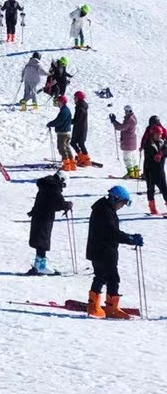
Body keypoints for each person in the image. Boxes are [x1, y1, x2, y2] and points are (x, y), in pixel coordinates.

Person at [85, 185, 143, 318]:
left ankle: (93, 305)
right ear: (115, 199)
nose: (122, 206)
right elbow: (112, 232)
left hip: (97, 249)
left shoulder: (103, 209)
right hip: (105, 250)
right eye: (122, 203)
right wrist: (130, 239)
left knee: (100, 276)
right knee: (112, 278)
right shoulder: (105, 212)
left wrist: (129, 238)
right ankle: (111, 308)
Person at [26, 170, 72, 275]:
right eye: (63, 185)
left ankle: (39, 264)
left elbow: (49, 201)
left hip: (38, 215)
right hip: (45, 216)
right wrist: (67, 205)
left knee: (40, 239)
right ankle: (41, 266)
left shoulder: (46, 184)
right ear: (62, 179)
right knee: (43, 239)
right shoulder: (53, 187)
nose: (62, 187)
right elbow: (58, 203)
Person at [111, 106, 140, 178]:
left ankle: (131, 173)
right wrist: (115, 121)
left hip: (128, 141)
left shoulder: (129, 120)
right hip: (132, 140)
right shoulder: (133, 118)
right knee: (133, 157)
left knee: (127, 157)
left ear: (129, 111)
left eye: (126, 111)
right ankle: (136, 173)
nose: (125, 112)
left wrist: (114, 122)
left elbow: (121, 127)